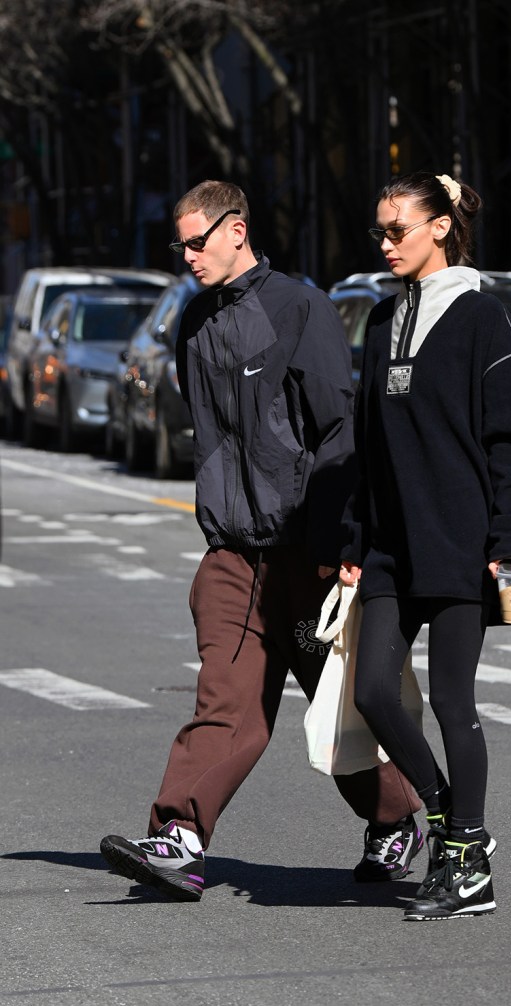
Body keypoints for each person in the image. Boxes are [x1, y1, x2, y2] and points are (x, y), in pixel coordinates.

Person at [100, 180, 422, 902]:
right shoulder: (193, 323)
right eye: (178, 243)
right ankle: (178, 838)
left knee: (335, 706)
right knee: (226, 705)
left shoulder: (299, 308)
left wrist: (341, 537)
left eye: (195, 240)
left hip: (305, 554)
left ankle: (398, 817)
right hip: (231, 556)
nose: (185, 255)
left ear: (236, 230)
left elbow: (339, 431)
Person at [339, 170, 511, 921]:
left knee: (451, 701)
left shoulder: (481, 318)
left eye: (397, 228)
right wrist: (354, 537)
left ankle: (467, 866)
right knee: (373, 690)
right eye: (380, 230)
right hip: (392, 548)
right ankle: (449, 819)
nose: (385, 242)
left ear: (439, 227)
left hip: (462, 544)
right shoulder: (377, 322)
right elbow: (367, 447)